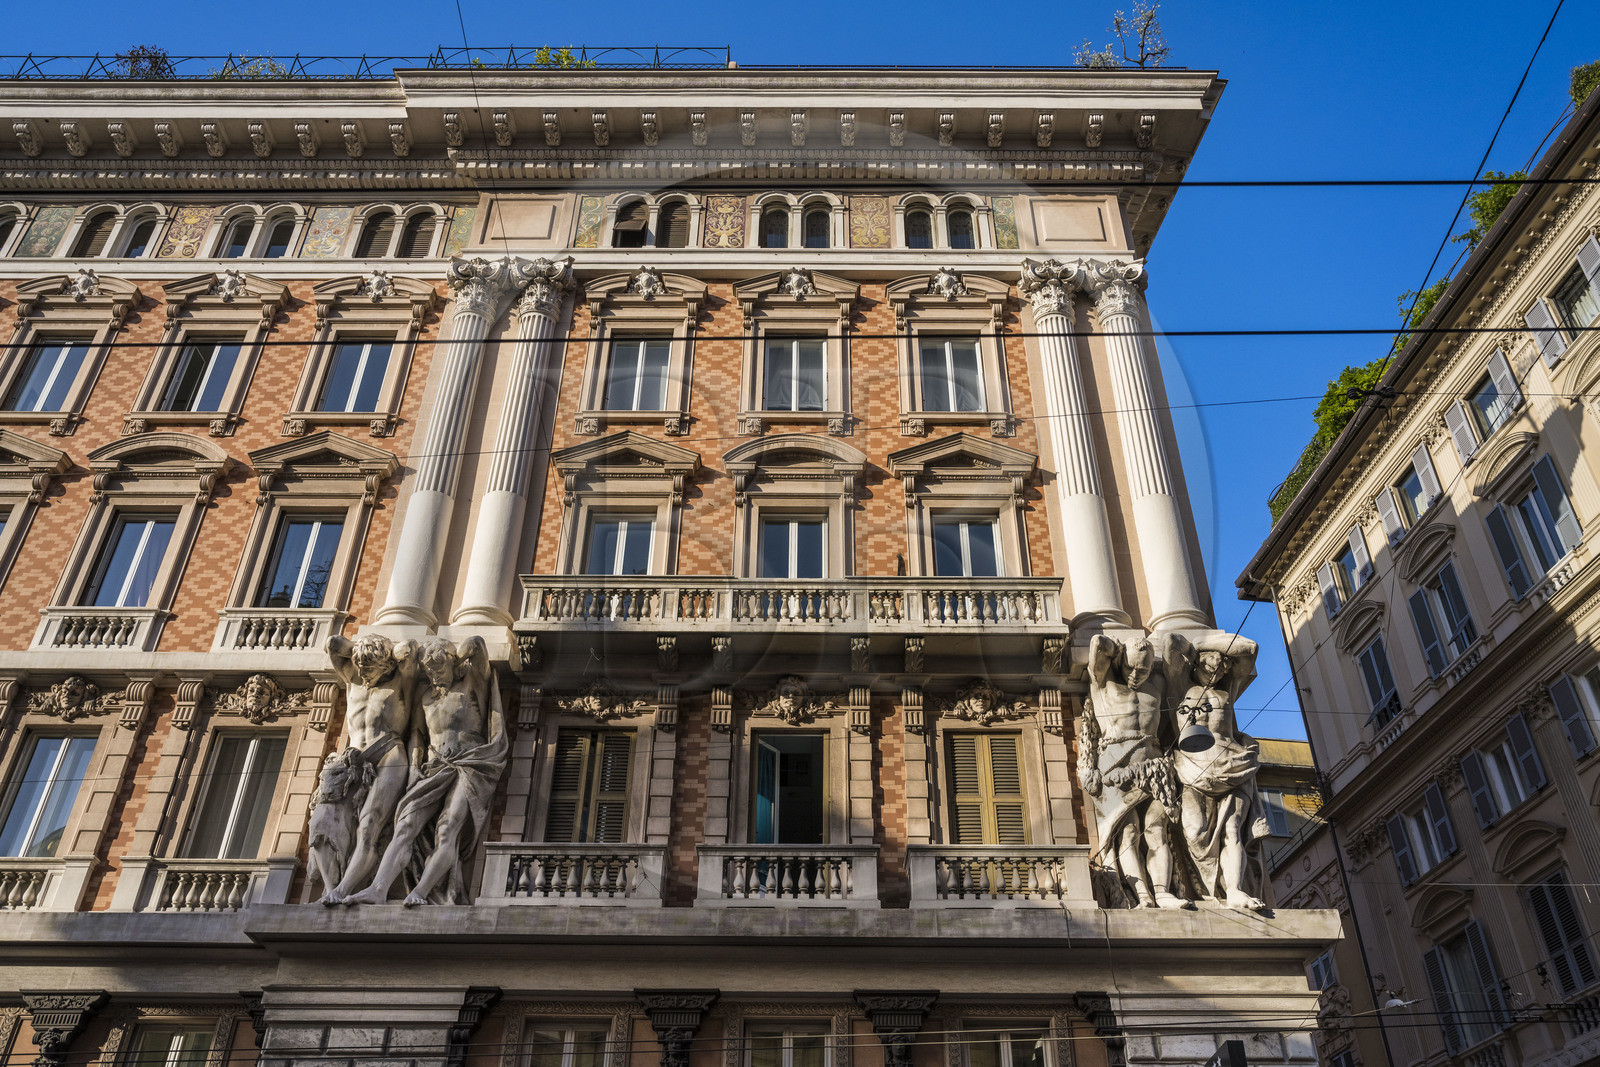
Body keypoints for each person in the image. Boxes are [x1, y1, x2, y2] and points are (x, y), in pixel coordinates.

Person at [342, 636, 507, 906]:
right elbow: (418, 734)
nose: (434, 677)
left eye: (439, 670)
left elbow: (477, 644)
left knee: (446, 829)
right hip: (431, 768)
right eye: (429, 672)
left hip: (467, 767)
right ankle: (378, 889)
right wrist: (415, 768)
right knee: (405, 825)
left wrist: (450, 656)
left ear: (454, 665)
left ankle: (420, 891)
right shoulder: (426, 695)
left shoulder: (472, 684)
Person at [1080, 634, 1191, 909]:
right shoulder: (1104, 685)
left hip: (1154, 767)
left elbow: (1178, 661)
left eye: (1143, 669)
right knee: (1128, 831)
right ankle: (1142, 896)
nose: (1136, 675)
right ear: (1121, 662)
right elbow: (1096, 645)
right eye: (1131, 667)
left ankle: (1163, 892)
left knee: (1157, 828)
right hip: (1116, 767)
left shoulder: (1159, 685)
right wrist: (1120, 649)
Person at [318, 633, 416, 905]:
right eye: (361, 667)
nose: (365, 674)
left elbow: (409, 648)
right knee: (322, 824)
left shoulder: (400, 681)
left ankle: (343, 890)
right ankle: (329, 889)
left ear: (386, 666)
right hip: (353, 759)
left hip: (389, 752)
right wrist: (360, 650)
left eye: (371, 669)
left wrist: (388, 652)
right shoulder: (352, 677)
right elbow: (333, 644)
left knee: (369, 825)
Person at [1172, 638, 1270, 911]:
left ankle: (1235, 890)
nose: (1213, 675)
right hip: (1192, 768)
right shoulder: (1182, 688)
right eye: (1207, 669)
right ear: (1196, 665)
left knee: (1233, 830)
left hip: (1233, 764)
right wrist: (1196, 649)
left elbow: (1250, 649)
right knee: (1194, 832)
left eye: (1219, 670)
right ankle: (1207, 888)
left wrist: (1209, 646)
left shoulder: (1226, 690)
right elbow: (1170, 644)